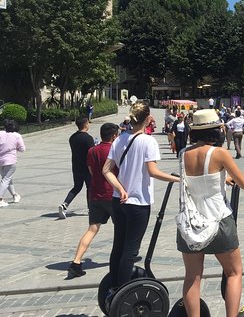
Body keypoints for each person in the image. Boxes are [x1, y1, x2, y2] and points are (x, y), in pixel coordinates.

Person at [178, 109, 244, 317]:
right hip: (219, 219)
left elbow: (198, 179)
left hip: (191, 222)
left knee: (192, 277)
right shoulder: (219, 153)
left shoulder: (183, 154)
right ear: (215, 130)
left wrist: (222, 179)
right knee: (234, 272)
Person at [101, 102, 180, 301]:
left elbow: (106, 170)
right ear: (147, 118)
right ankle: (122, 292)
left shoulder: (119, 140)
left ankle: (113, 288)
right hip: (138, 202)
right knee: (130, 250)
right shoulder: (148, 141)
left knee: (118, 245)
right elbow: (153, 172)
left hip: (118, 200)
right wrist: (178, 179)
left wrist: (119, 188)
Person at [67, 122, 119, 277]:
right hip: (112, 194)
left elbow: (91, 170)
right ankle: (120, 259)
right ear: (114, 136)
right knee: (121, 229)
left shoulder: (92, 151)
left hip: (95, 194)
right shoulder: (115, 150)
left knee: (92, 229)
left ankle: (76, 262)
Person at [59, 117, 95, 219]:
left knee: (77, 187)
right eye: (88, 123)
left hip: (76, 166)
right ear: (85, 124)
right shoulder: (88, 138)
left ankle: (65, 204)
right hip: (87, 167)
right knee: (90, 187)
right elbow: (92, 153)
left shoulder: (72, 137)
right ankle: (90, 209)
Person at [0, 119, 25, 207]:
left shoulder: (1, 133)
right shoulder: (17, 136)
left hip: (0, 160)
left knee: (7, 178)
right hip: (10, 161)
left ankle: (14, 195)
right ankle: (0, 199)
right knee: (6, 179)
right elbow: (22, 149)